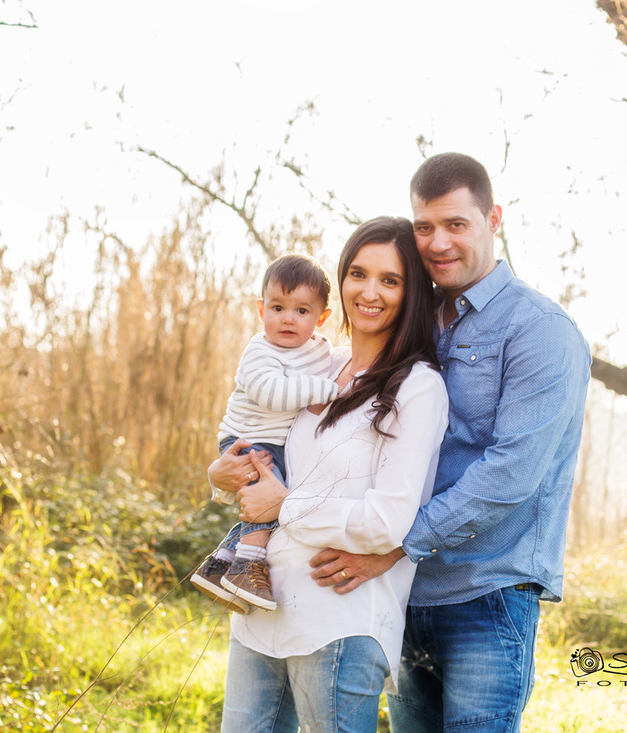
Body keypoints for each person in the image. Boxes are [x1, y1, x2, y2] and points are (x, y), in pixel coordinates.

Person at [309, 153, 592, 732]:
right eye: (424, 226)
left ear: (494, 219)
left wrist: (393, 545)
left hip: (487, 595)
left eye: (456, 224)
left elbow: (511, 473)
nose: (437, 242)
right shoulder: (414, 320)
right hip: (407, 592)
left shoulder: (540, 331)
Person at [209, 216, 449, 733]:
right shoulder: (315, 364)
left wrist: (284, 507)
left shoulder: (418, 386)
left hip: (337, 621)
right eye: (358, 273)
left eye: (390, 280)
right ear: (339, 281)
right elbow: (257, 440)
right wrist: (220, 474)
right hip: (262, 608)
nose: (370, 291)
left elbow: (388, 520)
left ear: (413, 294)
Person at [190, 253, 338, 613]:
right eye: (277, 307)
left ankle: (220, 564)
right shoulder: (260, 350)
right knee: (268, 502)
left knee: (272, 496)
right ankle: (248, 567)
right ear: (261, 310)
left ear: (322, 318)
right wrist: (325, 391)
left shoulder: (322, 351)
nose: (288, 318)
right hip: (247, 439)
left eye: (302, 311)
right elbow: (270, 394)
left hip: (274, 442)